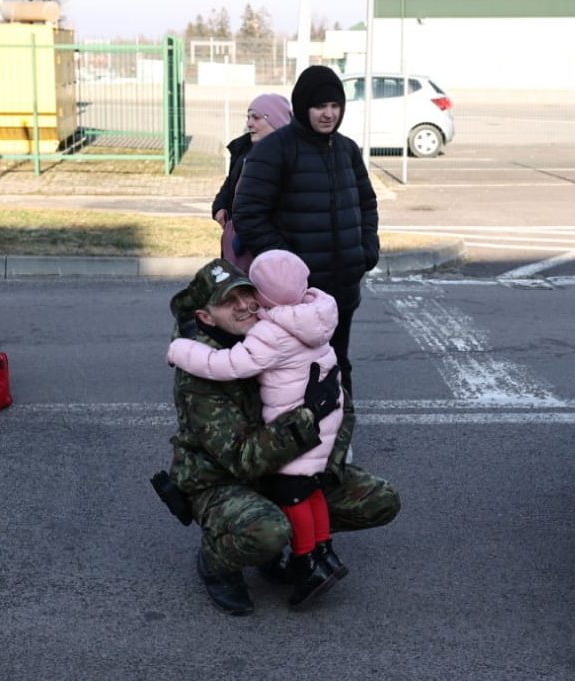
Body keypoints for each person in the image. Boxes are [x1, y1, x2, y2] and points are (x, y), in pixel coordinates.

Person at [154, 258, 400, 616]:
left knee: (379, 499)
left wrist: (321, 468)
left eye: (247, 295)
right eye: (228, 302)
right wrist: (307, 420)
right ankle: (218, 559)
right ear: (206, 317)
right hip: (223, 478)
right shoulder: (202, 373)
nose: (244, 306)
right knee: (268, 530)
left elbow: (341, 407)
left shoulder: (280, 335)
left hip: (285, 463)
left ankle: (304, 547)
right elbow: (241, 458)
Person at [232, 65, 379, 398]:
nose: (328, 114)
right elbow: (249, 214)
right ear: (302, 106)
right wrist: (288, 270)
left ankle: (339, 440)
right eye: (319, 106)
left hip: (342, 289)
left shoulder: (347, 150)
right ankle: (292, 441)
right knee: (292, 372)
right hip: (295, 297)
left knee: (338, 363)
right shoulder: (274, 150)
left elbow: (367, 204)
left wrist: (367, 251)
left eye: (335, 106)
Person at [212, 93, 292, 269]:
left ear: (276, 120)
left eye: (256, 117)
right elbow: (230, 183)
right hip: (238, 250)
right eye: (248, 117)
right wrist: (219, 208)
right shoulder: (243, 151)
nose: (249, 123)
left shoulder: (291, 157)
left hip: (271, 254)